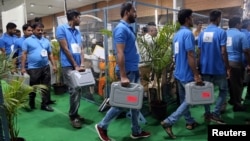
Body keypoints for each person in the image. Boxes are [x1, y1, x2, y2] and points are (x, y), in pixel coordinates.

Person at [95, 2, 150, 141]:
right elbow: (119, 53)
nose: (136, 14)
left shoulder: (128, 28)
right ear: (127, 12)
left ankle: (136, 131)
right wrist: (124, 76)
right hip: (127, 73)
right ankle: (102, 126)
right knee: (122, 104)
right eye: (134, 11)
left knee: (135, 102)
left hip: (133, 69)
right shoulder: (121, 29)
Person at [160, 9, 202, 139]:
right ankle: (169, 121)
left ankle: (189, 121)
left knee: (184, 99)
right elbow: (190, 54)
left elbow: (176, 54)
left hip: (178, 72)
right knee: (191, 99)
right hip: (187, 74)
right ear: (187, 19)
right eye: (192, 17)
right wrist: (196, 74)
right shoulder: (188, 34)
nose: (193, 20)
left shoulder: (176, 35)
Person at [197, 10, 230, 124]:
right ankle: (215, 114)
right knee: (223, 90)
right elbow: (223, 52)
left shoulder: (202, 34)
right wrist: (228, 67)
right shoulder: (221, 32)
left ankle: (207, 113)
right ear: (218, 19)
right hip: (218, 68)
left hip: (205, 68)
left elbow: (199, 52)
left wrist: (199, 67)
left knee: (206, 92)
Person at [56, 9, 86, 129]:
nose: (80, 19)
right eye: (79, 17)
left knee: (78, 89)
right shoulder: (61, 29)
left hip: (78, 66)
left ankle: (75, 112)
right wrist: (75, 65)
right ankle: (73, 116)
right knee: (73, 89)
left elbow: (81, 48)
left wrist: (82, 63)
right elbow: (65, 49)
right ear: (74, 17)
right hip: (68, 65)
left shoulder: (77, 32)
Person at [21, 22, 56, 112]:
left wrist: (54, 65)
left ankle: (44, 104)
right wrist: (23, 68)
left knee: (46, 86)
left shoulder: (46, 41)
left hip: (45, 66)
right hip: (33, 68)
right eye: (38, 30)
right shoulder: (27, 41)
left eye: (42, 30)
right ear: (33, 30)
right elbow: (24, 55)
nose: (40, 31)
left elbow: (50, 54)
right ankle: (31, 102)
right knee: (33, 87)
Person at [226, 17, 250, 112]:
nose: (241, 25)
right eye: (240, 24)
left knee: (230, 83)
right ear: (237, 24)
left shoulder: (224, 33)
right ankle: (237, 104)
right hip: (236, 62)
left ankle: (232, 99)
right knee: (238, 84)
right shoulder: (240, 35)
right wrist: (249, 63)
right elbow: (246, 51)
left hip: (225, 62)